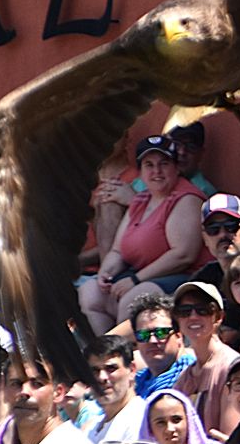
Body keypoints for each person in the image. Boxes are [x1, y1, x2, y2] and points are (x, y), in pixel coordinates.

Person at [80, 136, 205, 332]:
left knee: (135, 298)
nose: (157, 171)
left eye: (164, 164)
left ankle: (124, 354)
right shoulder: (142, 200)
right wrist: (106, 273)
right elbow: (117, 250)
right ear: (140, 172)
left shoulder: (187, 198)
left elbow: (182, 255)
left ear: (176, 167)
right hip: (141, 275)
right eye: (149, 165)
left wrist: (135, 280)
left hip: (181, 277)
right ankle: (103, 353)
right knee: (91, 292)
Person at [169, 280, 240, 437]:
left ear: (219, 317)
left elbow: (229, 441)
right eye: (185, 311)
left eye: (203, 310)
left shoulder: (232, 367)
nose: (193, 316)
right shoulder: (185, 377)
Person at [85, 336, 148, 444]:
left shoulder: (141, 421)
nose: (102, 377)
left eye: (111, 368)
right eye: (95, 370)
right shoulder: (91, 427)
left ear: (132, 370)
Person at [128, 299, 193, 398]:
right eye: (143, 335)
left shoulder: (191, 375)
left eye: (161, 333)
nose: (152, 340)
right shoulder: (137, 380)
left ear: (178, 336)